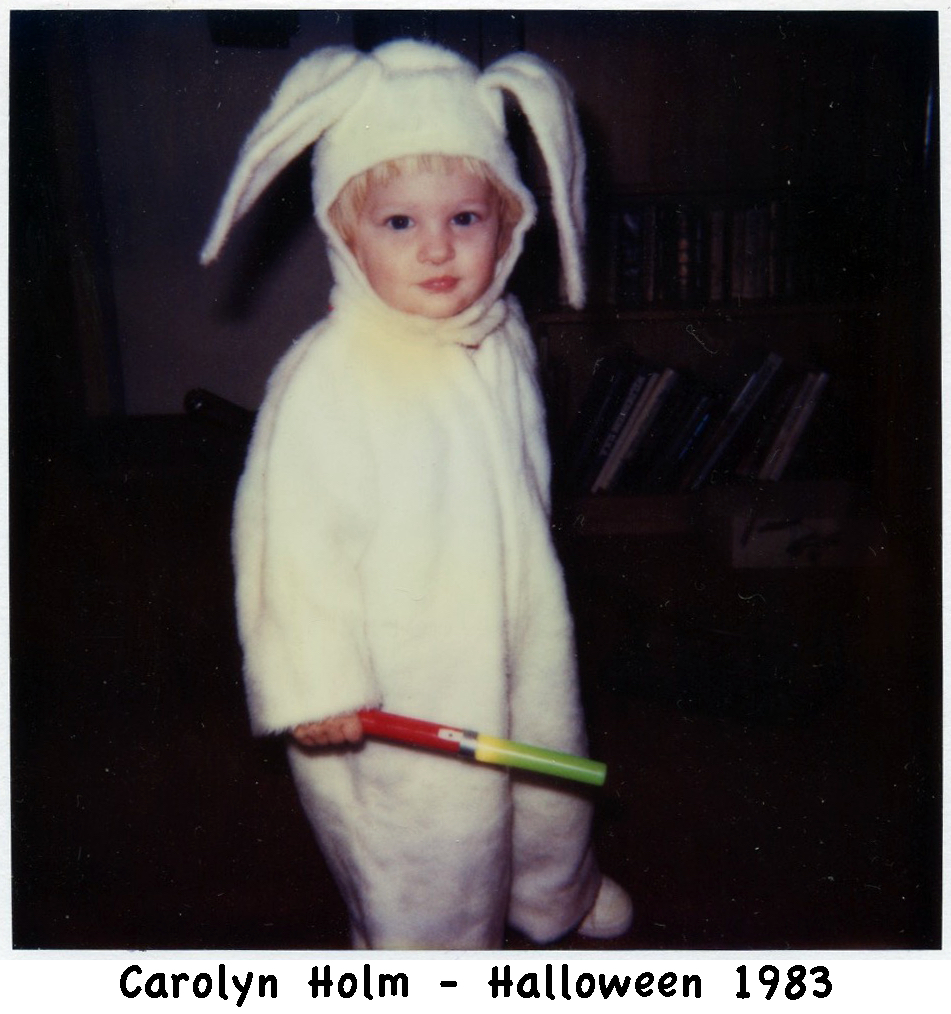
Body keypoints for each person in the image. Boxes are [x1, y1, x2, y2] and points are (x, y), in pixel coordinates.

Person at [201, 37, 632, 949]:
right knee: (429, 844)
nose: (437, 248)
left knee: (547, 783)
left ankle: (553, 894)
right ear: (344, 234)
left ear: (511, 221)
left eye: (467, 218)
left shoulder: (504, 337)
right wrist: (314, 681)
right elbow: (291, 547)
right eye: (398, 223)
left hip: (520, 628)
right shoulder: (329, 378)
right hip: (396, 680)